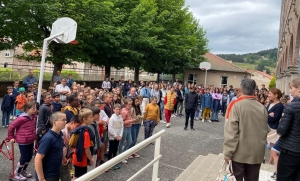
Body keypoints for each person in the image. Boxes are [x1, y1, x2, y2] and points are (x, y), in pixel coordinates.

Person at [223, 78, 269, 181]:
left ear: (240, 89)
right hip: (256, 153)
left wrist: (227, 152)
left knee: (235, 178)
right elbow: (265, 131)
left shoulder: (236, 106)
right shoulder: (262, 108)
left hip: (239, 153)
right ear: (254, 91)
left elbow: (231, 132)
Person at [277, 78, 300, 181]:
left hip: (290, 151)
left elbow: (282, 130)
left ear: (298, 88)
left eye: (291, 88)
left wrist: (281, 122)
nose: (290, 91)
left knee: (284, 178)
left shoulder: (291, 106)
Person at [8, 101, 36, 180]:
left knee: (29, 156)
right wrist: (11, 137)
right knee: (24, 157)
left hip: (31, 140)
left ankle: (23, 170)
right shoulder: (21, 118)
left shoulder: (33, 117)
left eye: (35, 108)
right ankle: (16, 173)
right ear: (27, 109)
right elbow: (11, 127)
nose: (35, 110)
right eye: (33, 108)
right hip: (23, 140)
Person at [35, 112, 67, 181]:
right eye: (63, 120)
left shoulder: (60, 134)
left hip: (55, 172)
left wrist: (63, 158)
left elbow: (59, 148)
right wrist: (41, 178)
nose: (65, 122)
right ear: (54, 122)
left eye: (66, 120)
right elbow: (37, 159)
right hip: (47, 175)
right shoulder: (48, 138)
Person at [71, 108, 95, 180]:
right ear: (84, 119)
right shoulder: (86, 132)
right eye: (90, 117)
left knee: (77, 175)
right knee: (79, 177)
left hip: (77, 157)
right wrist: (91, 159)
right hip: (81, 159)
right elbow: (87, 148)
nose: (92, 118)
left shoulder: (79, 129)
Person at [265, 88, 283, 177]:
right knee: (269, 145)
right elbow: (265, 114)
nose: (268, 95)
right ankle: (270, 161)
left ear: (276, 95)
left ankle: (271, 161)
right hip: (267, 127)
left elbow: (274, 118)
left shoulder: (279, 106)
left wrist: (267, 115)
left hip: (273, 128)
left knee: (272, 147)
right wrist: (268, 115)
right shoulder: (270, 104)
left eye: (270, 93)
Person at [60, 115, 81, 181]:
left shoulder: (70, 131)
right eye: (77, 126)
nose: (78, 128)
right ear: (72, 123)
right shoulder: (62, 131)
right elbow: (59, 147)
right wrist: (63, 158)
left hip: (65, 158)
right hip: (60, 159)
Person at [108, 104, 123, 170]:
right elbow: (110, 129)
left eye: (119, 109)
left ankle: (114, 162)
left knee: (115, 150)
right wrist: (116, 136)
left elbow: (122, 127)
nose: (118, 110)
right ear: (113, 110)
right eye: (116, 109)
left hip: (118, 136)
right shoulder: (112, 118)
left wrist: (120, 135)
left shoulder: (120, 117)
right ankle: (109, 163)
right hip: (113, 137)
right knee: (111, 149)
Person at [119, 98, 134, 164]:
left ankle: (124, 154)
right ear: (125, 105)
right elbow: (122, 121)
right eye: (129, 105)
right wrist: (131, 120)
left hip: (128, 127)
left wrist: (131, 119)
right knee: (122, 143)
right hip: (124, 128)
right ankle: (121, 157)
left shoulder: (129, 110)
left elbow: (128, 118)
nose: (130, 106)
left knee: (130, 141)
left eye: (131, 104)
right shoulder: (124, 111)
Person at [87, 107, 101, 172]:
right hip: (92, 149)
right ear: (92, 115)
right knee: (90, 165)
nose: (99, 116)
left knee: (93, 164)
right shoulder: (89, 126)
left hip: (95, 148)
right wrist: (95, 147)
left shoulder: (95, 123)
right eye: (97, 114)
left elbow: (97, 135)